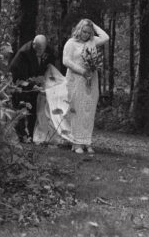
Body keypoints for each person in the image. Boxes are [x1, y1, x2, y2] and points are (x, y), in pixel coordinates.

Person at [62, 18, 109, 155]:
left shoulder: (92, 41)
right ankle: (76, 142)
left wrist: (93, 24)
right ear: (79, 29)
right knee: (78, 110)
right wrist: (82, 71)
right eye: (84, 31)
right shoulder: (71, 43)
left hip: (91, 80)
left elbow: (106, 37)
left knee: (89, 111)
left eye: (89, 32)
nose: (86, 35)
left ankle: (87, 141)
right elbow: (66, 61)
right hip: (76, 80)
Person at [8, 33, 56, 142]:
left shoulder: (45, 48)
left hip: (35, 84)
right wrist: (34, 86)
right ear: (34, 44)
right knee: (20, 109)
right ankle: (22, 136)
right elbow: (21, 76)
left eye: (42, 49)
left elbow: (50, 60)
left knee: (34, 109)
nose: (40, 52)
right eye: (38, 49)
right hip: (20, 84)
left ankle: (31, 134)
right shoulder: (23, 54)